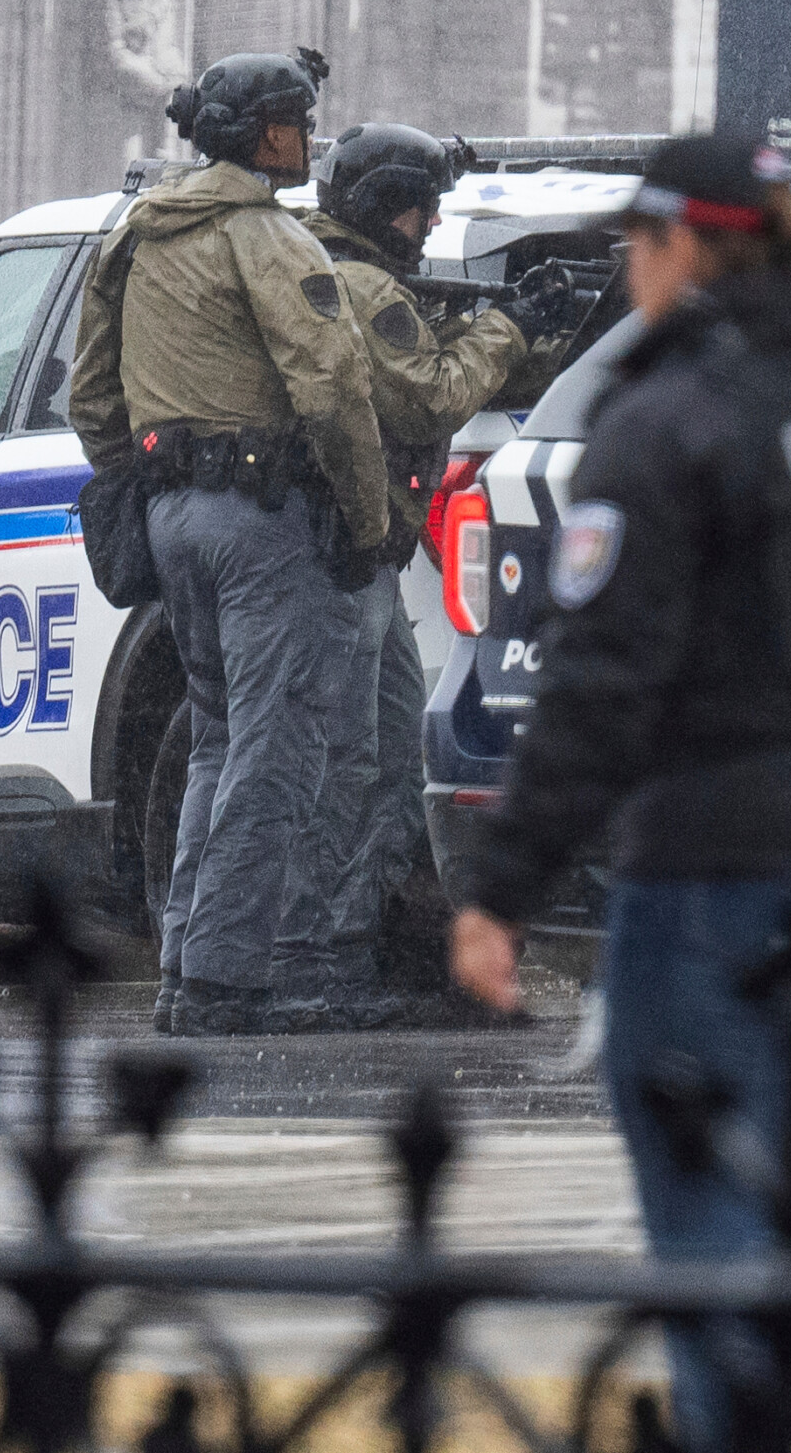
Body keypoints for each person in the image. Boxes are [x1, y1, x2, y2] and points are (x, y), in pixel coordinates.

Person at [452, 133, 791, 1451]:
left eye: (637, 247)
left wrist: (503, 886)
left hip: (715, 871)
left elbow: (602, 684)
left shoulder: (666, 426)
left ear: (683, 252)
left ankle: (770, 1425)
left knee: (714, 1200)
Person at [69, 49, 389, 1038]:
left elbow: (89, 397)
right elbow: (332, 386)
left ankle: (185, 962)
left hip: (171, 519)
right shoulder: (266, 238)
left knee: (215, 739)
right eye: (297, 119)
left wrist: (158, 477)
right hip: (258, 522)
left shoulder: (137, 235)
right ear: (262, 134)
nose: (307, 136)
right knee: (273, 745)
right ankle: (223, 978)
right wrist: (370, 519)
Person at [275, 123, 559, 1031]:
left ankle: (359, 950)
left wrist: (529, 338)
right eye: (417, 204)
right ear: (375, 206)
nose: (431, 220)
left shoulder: (359, 277)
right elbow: (431, 391)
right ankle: (317, 959)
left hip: (364, 553)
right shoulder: (358, 286)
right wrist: (507, 328)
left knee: (385, 758)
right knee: (348, 760)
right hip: (343, 552)